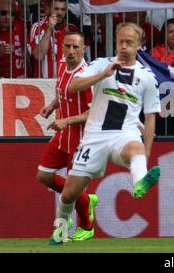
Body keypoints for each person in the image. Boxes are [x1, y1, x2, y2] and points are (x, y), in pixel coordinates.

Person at [49, 22, 161, 244]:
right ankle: (60, 230)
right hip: (95, 137)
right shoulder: (102, 64)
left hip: (124, 133)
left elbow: (150, 117)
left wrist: (146, 154)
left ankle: (140, 181)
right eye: (121, 41)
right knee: (69, 194)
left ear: (139, 45)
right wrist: (103, 75)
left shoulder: (147, 77)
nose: (124, 46)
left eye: (129, 42)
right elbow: (73, 86)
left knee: (136, 148)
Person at [37, 31, 98, 242]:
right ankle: (85, 199)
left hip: (82, 138)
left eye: (75, 47)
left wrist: (67, 120)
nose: (70, 51)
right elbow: (61, 91)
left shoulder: (86, 77)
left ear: (83, 49)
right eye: (67, 46)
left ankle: (86, 225)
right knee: (43, 176)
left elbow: (95, 112)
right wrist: (53, 105)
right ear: (62, 47)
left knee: (70, 192)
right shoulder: (63, 63)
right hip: (64, 135)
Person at [29, 0, 78, 78]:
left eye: (63, 9)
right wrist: (49, 29)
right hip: (44, 84)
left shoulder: (72, 29)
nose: (59, 13)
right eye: (56, 9)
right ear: (49, 9)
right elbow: (37, 55)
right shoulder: (37, 27)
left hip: (65, 82)